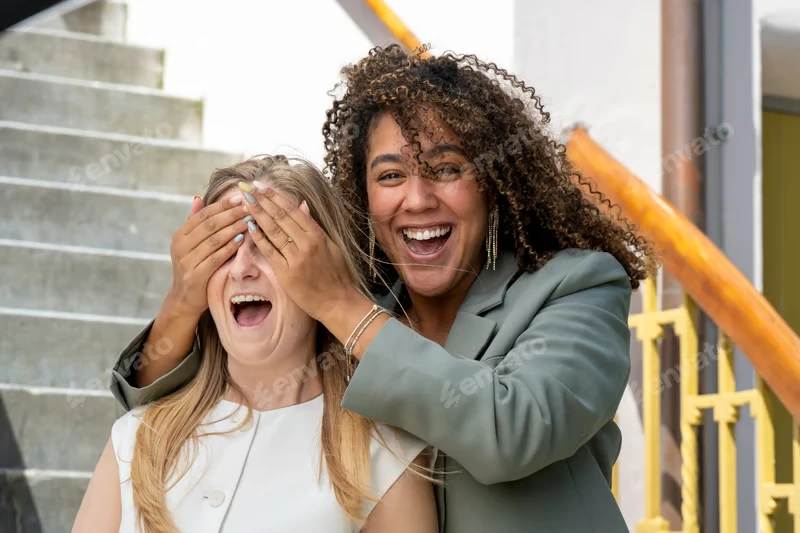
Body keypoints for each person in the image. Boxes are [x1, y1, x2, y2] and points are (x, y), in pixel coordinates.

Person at [108, 46, 656, 532]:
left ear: (493, 183)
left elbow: (512, 432)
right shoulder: (364, 300)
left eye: (446, 169)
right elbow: (173, 405)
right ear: (363, 195)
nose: (416, 200)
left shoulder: (577, 285)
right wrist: (184, 298)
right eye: (390, 175)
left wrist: (338, 304)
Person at [74, 156, 438, 533]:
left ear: (324, 270)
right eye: (223, 249)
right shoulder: (134, 439)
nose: (241, 268)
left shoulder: (390, 460)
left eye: (271, 245)